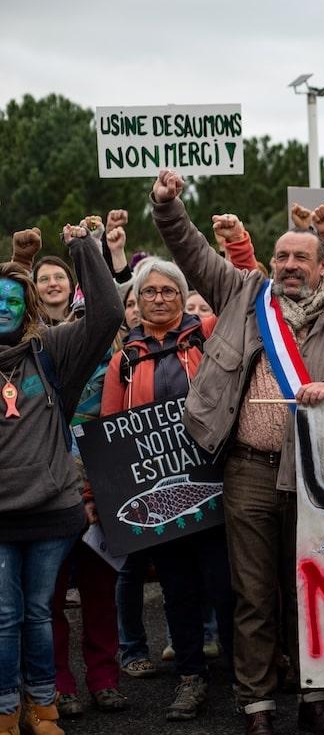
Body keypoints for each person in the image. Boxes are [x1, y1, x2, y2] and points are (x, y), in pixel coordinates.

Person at [148, 169, 324, 735]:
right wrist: (166, 206)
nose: (289, 266)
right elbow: (193, 254)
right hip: (247, 469)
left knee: (310, 592)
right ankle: (256, 706)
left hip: (317, 476)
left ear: (323, 266)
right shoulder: (246, 295)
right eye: (281, 257)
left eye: (301, 258)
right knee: (251, 595)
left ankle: (314, 698)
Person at [98, 257, 235, 723]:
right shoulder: (125, 359)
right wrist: (102, 498)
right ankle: (191, 677)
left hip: (216, 486)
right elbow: (110, 433)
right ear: (135, 302)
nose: (159, 298)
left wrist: (234, 247)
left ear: (183, 295)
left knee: (225, 585)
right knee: (178, 588)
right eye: (149, 292)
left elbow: (243, 295)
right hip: (161, 496)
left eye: (168, 291)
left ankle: (244, 678)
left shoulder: (208, 335)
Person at [0, 224, 121, 735]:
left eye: (12, 299)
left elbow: (109, 315)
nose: (3, 306)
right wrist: (16, 260)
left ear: (26, 308)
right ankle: (6, 708)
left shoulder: (52, 353)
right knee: (4, 618)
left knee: (35, 614)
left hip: (52, 512)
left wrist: (83, 249)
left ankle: (43, 706)